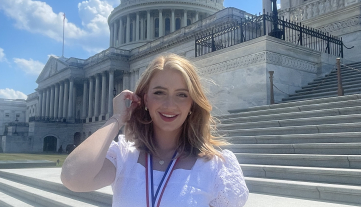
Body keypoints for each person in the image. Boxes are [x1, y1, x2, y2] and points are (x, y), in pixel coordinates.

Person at [61, 54, 249, 207]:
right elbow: (73, 177)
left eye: (182, 95)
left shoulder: (217, 167)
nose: (170, 105)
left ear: (192, 103)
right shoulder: (124, 157)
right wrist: (117, 118)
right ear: (144, 100)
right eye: (159, 92)